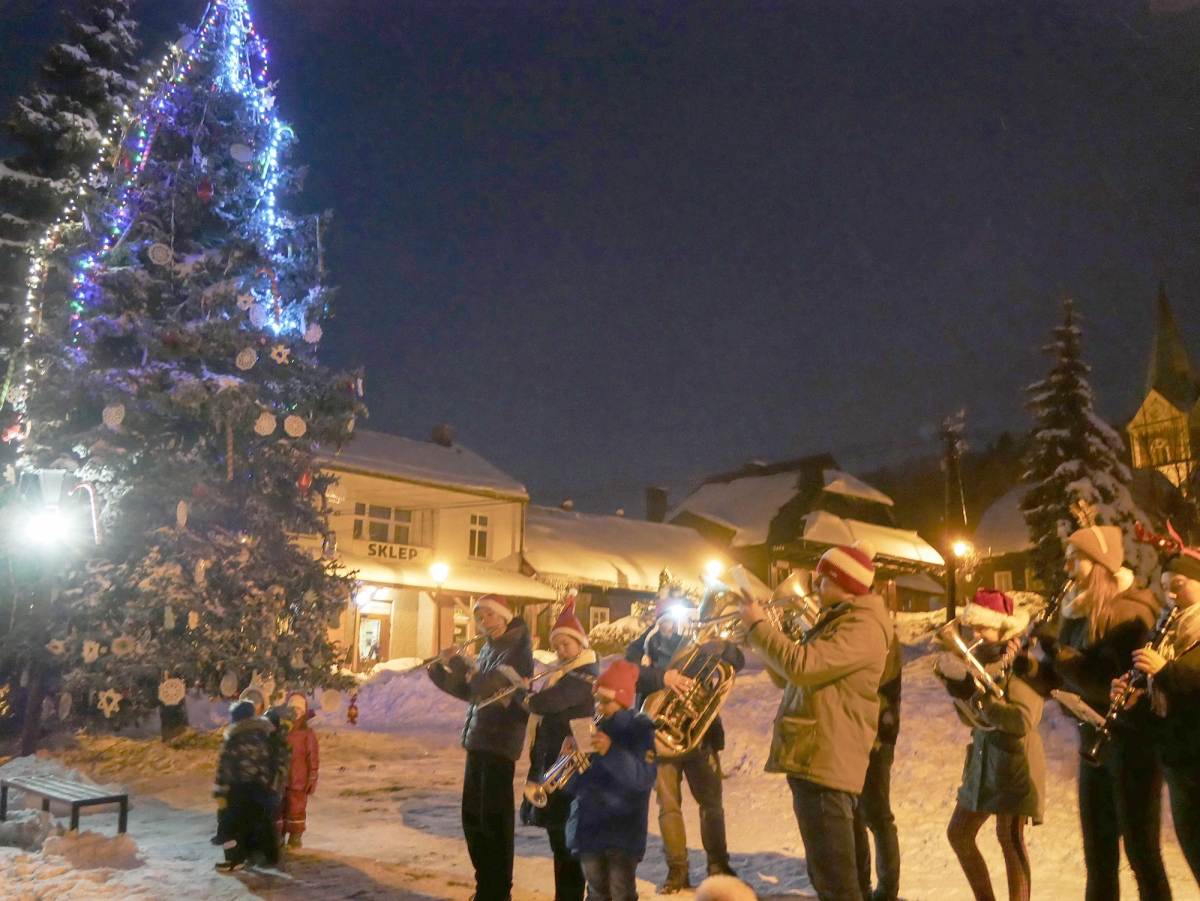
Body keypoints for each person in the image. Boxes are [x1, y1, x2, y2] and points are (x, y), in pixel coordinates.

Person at [738, 540, 891, 901]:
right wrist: (768, 636)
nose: (816, 588)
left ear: (846, 585)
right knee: (831, 875)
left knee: (836, 882)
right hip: (814, 755)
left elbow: (802, 668)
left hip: (826, 759)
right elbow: (789, 674)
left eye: (824, 580)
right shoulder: (837, 621)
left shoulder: (862, 626)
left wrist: (761, 629)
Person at [1024, 524, 1168, 901]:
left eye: (1076, 558)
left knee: (1142, 856)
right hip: (1094, 746)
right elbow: (1062, 683)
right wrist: (1028, 667)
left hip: (1131, 746)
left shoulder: (1132, 612)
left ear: (1100, 562)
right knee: (1098, 858)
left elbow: (1117, 686)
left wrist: (1062, 654)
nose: (1067, 566)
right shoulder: (1075, 611)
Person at [626, 592, 744, 892]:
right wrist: (662, 678)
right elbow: (627, 676)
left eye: (674, 618)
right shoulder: (640, 646)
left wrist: (725, 648)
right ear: (656, 619)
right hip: (659, 736)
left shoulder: (697, 641)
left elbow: (737, 663)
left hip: (699, 735)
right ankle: (677, 869)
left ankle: (718, 863)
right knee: (668, 807)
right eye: (665, 618)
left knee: (712, 804)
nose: (670, 624)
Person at [938, 589, 1045, 901]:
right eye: (973, 627)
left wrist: (980, 698)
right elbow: (973, 721)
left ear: (1002, 627)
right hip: (985, 762)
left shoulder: (1019, 663)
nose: (974, 634)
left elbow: (1023, 721)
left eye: (981, 627)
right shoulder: (981, 662)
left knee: (1009, 838)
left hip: (1015, 765)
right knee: (959, 833)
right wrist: (958, 688)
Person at [429, 594, 534, 901]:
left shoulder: (518, 650)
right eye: (480, 617)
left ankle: (498, 891)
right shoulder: (491, 647)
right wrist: (439, 672)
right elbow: (472, 692)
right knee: (472, 818)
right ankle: (484, 885)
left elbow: (486, 685)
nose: (484, 622)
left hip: (500, 743)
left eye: (489, 615)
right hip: (479, 740)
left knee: (494, 822)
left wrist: (459, 662)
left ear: (505, 615)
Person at [1112, 542, 1200, 887]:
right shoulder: (1168, 635)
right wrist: (1135, 704)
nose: (1171, 596)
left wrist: (1165, 673)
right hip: (1180, 768)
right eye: (1166, 588)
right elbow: (1165, 712)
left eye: (1179, 585)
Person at [522, 597, 601, 901]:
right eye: (557, 646)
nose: (561, 651)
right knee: (559, 841)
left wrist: (526, 695)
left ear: (580, 644)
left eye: (567, 645)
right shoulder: (562, 673)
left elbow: (549, 702)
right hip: (554, 762)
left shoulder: (584, 674)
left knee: (568, 842)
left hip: (571, 771)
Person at [564, 658, 658, 901]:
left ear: (624, 701)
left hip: (623, 832)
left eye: (606, 701)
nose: (599, 707)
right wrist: (569, 758)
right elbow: (572, 788)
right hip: (590, 828)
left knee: (621, 892)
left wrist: (611, 751)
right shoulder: (592, 730)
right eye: (597, 700)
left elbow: (643, 778)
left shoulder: (640, 731)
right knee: (595, 893)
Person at [854, 619, 902, 901]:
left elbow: (877, 678)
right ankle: (861, 886)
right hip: (858, 733)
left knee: (878, 816)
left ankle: (886, 891)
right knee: (856, 815)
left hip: (877, 735)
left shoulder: (879, 628)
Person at [213, 699, 278, 871]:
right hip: (261, 788)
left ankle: (234, 859)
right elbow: (271, 764)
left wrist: (220, 792)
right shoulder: (264, 737)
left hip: (238, 789)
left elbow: (226, 769)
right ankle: (269, 856)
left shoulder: (234, 740)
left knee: (231, 825)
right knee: (259, 822)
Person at [279, 692, 319, 849]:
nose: (295, 712)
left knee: (296, 808)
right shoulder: (282, 730)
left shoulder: (307, 733)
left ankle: (295, 837)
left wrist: (312, 777)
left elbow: (312, 757)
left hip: (299, 779)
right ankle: (278, 837)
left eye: (298, 709)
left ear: (303, 713)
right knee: (279, 808)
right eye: (292, 709)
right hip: (281, 778)